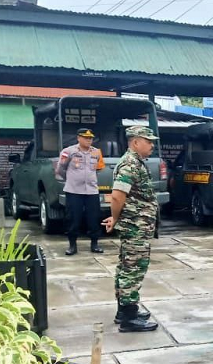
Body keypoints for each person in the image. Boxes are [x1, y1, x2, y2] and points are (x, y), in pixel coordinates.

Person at [102, 126, 160, 333]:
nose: (152, 144)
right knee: (133, 267)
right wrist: (115, 218)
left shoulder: (135, 162)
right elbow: (117, 195)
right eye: (148, 140)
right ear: (136, 142)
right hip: (135, 225)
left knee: (127, 264)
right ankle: (129, 317)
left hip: (137, 224)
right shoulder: (129, 164)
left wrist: (116, 217)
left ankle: (124, 310)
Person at [56, 127, 106, 256]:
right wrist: (71, 179)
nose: (89, 140)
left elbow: (99, 169)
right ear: (78, 138)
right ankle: (72, 245)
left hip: (92, 191)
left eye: (90, 138)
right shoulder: (69, 151)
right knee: (73, 218)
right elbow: (61, 169)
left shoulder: (96, 152)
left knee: (94, 218)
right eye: (86, 138)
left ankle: (94, 244)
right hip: (74, 191)